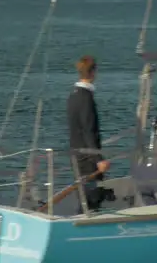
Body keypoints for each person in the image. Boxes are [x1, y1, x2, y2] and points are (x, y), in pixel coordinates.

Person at [66, 55, 111, 208]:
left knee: (84, 197)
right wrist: (98, 159)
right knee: (91, 198)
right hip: (87, 158)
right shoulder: (86, 98)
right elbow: (88, 130)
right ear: (93, 72)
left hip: (76, 152)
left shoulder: (73, 95)